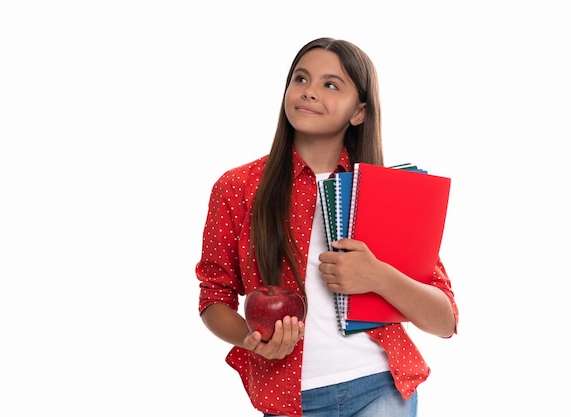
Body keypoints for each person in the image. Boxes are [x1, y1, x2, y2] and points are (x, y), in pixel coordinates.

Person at [195, 37, 458, 417]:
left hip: (380, 388)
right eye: (301, 79)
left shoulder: (387, 192)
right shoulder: (237, 189)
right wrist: (253, 342)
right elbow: (212, 299)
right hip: (290, 399)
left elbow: (444, 320)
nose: (310, 92)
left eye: (331, 84)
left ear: (359, 112)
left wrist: (378, 276)